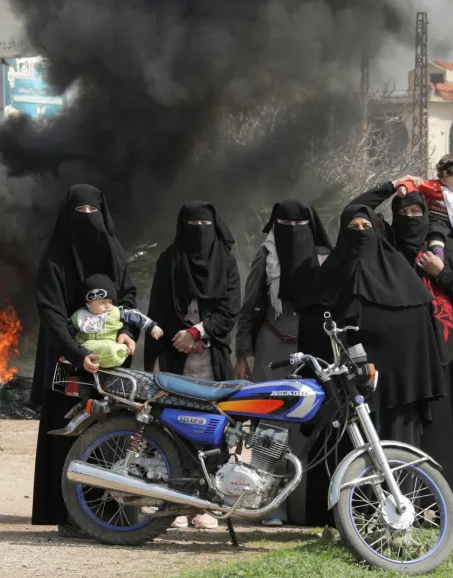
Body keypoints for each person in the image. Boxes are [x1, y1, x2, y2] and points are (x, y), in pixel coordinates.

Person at [295, 203, 446, 527]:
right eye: (354, 228)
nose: (360, 233)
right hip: (344, 390)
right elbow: (313, 332)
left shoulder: (402, 276)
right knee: (342, 447)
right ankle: (343, 519)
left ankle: (398, 511)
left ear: (377, 232)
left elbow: (418, 333)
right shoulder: (327, 279)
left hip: (396, 390)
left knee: (396, 448)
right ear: (342, 234)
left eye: (366, 227)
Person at [353, 181, 453, 509]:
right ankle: (402, 499)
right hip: (400, 360)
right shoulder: (386, 246)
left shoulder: (445, 248)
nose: (411, 217)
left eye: (417, 211)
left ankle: (442, 503)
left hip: (443, 358)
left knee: (442, 431)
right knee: (403, 432)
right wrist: (391, 186)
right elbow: (356, 212)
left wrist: (441, 273)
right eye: (404, 212)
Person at [30, 184, 140, 536]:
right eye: (80, 213)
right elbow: (50, 310)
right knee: (67, 430)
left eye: (94, 212)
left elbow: (128, 296)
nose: (88, 219)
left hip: (112, 360)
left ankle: (112, 511)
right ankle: (69, 514)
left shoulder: (114, 251)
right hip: (68, 360)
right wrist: (77, 352)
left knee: (112, 429)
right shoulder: (55, 257)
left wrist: (128, 332)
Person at [234, 199, 332, 526]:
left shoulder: (324, 258)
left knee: (307, 428)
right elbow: (248, 306)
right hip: (271, 348)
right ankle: (270, 506)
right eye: (285, 225)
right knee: (270, 428)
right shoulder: (266, 256)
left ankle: (305, 508)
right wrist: (242, 354)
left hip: (311, 350)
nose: (292, 231)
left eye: (298, 225)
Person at [146, 201, 241, 530]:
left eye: (204, 225)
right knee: (172, 429)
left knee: (213, 430)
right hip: (175, 356)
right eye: (192, 225)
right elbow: (159, 308)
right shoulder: (169, 260)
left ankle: (208, 504)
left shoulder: (226, 261)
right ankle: (174, 501)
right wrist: (180, 337)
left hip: (211, 358)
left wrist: (199, 333)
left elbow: (230, 309)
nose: (199, 231)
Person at [71, 273, 162, 369]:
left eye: (110, 302)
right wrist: (67, 352)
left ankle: (110, 356)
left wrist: (151, 326)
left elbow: (135, 315)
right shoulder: (79, 316)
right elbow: (68, 332)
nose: (107, 306)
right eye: (102, 302)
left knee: (118, 348)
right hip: (87, 348)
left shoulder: (115, 312)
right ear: (89, 304)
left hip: (111, 344)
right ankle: (100, 357)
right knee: (82, 349)